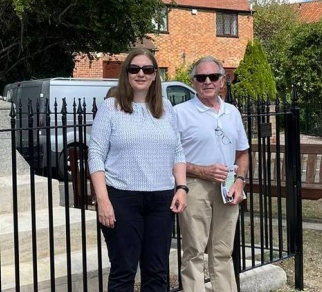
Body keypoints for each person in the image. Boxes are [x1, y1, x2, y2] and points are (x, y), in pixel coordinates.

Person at [88, 48, 188, 292]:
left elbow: (177, 151)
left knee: (157, 271)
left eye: (147, 69)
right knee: (124, 270)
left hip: (161, 199)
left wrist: (182, 187)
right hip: (122, 198)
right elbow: (95, 154)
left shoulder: (165, 108)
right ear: (126, 74)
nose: (140, 74)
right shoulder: (111, 108)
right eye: (134, 69)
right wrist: (103, 200)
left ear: (155, 75)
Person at [175, 56, 250, 292]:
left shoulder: (232, 112)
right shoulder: (180, 113)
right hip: (194, 187)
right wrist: (201, 170)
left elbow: (243, 153)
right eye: (201, 77)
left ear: (222, 81)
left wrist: (239, 181)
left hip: (228, 187)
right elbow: (171, 158)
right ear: (193, 81)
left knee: (223, 251)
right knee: (194, 251)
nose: (207, 81)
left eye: (213, 77)